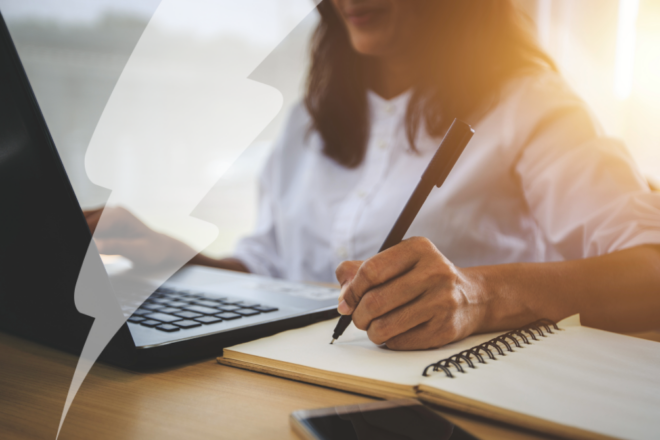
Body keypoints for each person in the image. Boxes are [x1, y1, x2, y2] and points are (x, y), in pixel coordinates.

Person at [87, 0, 660, 350]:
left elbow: (651, 270)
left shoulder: (533, 106)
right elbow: (278, 272)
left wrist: (479, 294)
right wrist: (180, 260)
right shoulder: (310, 121)